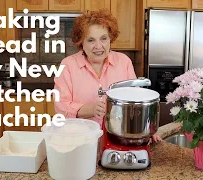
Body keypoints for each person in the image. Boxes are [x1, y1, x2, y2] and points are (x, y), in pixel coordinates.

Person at [54, 9, 161, 143]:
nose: (98, 46)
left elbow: (136, 102)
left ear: (111, 38)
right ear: (81, 43)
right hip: (80, 140)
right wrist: (89, 109)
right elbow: (61, 106)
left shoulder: (124, 62)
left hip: (119, 138)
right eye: (91, 40)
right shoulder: (68, 65)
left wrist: (145, 130)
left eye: (103, 38)